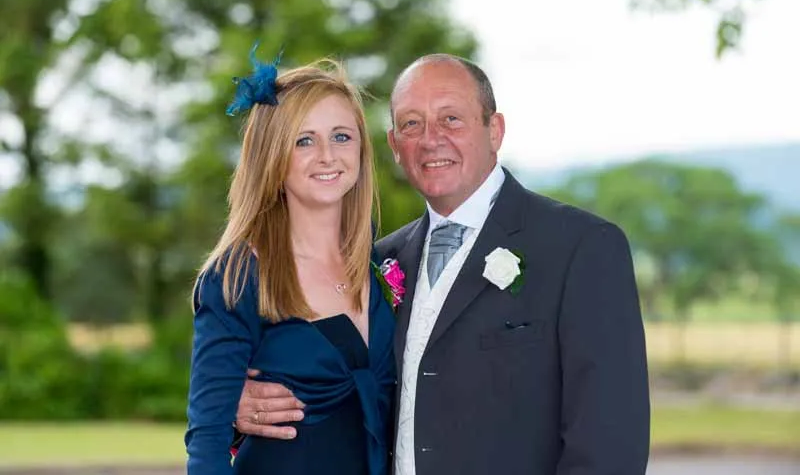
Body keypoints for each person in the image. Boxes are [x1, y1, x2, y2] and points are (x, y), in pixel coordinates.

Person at [234, 53, 651, 474]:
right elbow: (334, 390)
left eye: (451, 119)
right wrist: (235, 403)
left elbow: (610, 445)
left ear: (495, 130)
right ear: (395, 146)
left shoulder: (582, 248)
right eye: (412, 124)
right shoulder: (376, 264)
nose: (431, 139)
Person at [184, 48, 396, 475]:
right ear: (272, 158)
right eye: (304, 140)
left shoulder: (381, 263)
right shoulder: (238, 276)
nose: (327, 156)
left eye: (341, 136)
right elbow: (206, 446)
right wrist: (229, 409)